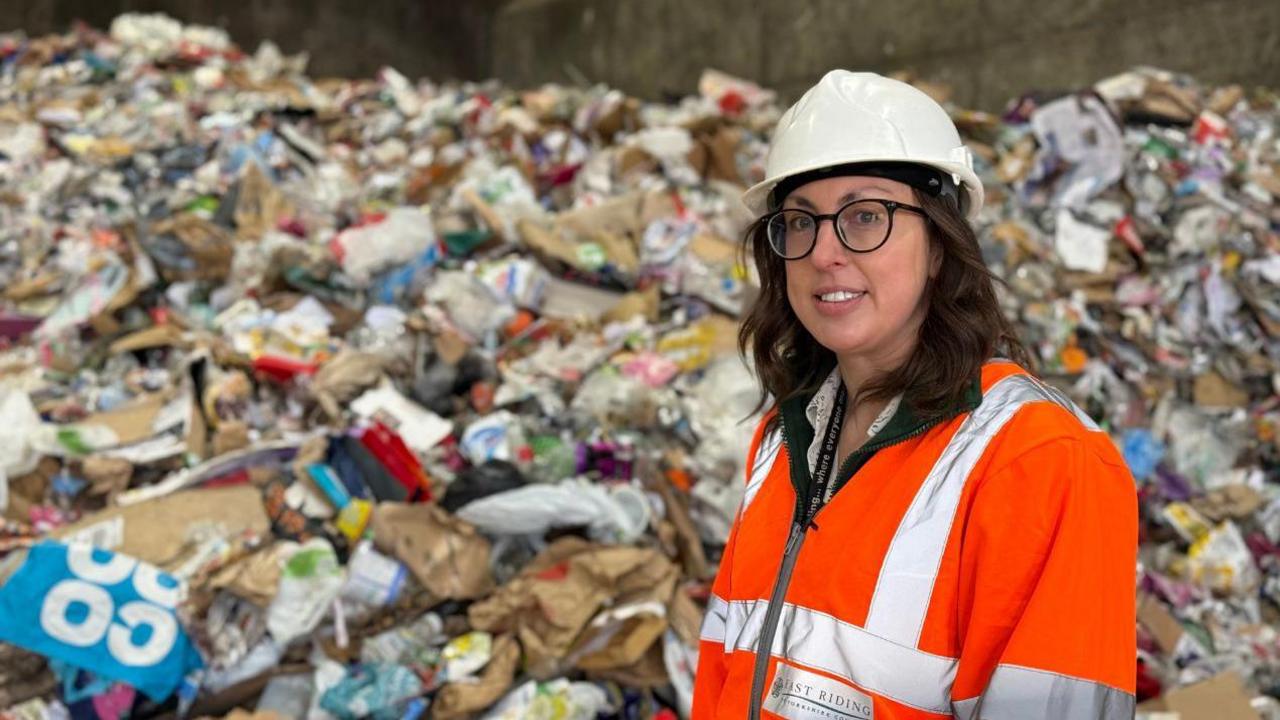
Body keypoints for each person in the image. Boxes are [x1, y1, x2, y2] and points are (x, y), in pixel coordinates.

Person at [691, 70, 1137, 720]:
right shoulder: (783, 441)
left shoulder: (1040, 461)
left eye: (865, 216)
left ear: (938, 244)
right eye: (798, 222)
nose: (823, 253)